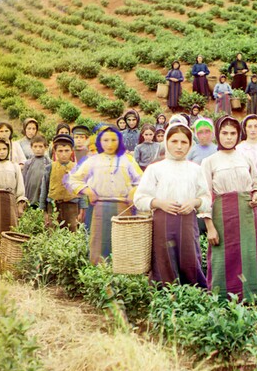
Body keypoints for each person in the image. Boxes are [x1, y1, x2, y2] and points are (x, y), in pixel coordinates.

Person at [134, 119, 211, 286]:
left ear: (190, 144)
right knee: (164, 260)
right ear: (166, 142)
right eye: (174, 141)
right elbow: (139, 198)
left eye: (184, 142)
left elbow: (206, 198)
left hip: (188, 222)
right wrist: (159, 203)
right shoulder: (155, 168)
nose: (179, 146)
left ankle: (193, 297)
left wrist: (194, 202)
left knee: (190, 259)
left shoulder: (195, 169)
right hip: (162, 222)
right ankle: (165, 298)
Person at [200, 116, 257, 301]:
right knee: (223, 258)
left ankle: (252, 298)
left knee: (249, 256)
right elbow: (205, 196)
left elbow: (256, 184)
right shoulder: (210, 161)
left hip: (246, 216)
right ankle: (221, 299)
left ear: (239, 135)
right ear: (217, 134)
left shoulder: (245, 158)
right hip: (222, 216)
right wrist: (210, 226)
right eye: (224, 133)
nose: (228, 137)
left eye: (233, 133)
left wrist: (255, 194)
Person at [67, 126, 142, 264]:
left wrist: (133, 191)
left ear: (119, 141)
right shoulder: (93, 161)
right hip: (100, 207)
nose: (110, 144)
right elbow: (72, 179)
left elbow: (142, 180)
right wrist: (88, 191)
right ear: (99, 142)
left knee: (122, 242)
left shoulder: (128, 160)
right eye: (105, 140)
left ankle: (122, 274)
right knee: (99, 241)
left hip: (123, 207)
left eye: (113, 140)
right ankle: (98, 274)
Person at [0, 139, 26, 260]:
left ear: (8, 150)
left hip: (9, 200)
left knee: (10, 228)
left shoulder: (14, 166)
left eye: (4, 149)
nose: (2, 152)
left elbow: (20, 186)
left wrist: (20, 204)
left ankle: (9, 258)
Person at [40, 134, 86, 231]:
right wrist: (44, 211)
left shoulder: (77, 168)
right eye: (60, 151)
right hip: (53, 206)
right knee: (53, 233)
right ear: (55, 152)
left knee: (72, 233)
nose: (63, 154)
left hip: (72, 207)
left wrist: (82, 210)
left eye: (66, 151)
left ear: (72, 151)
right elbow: (44, 189)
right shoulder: (49, 168)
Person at [21, 134, 49, 208]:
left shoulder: (48, 163)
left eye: (40, 146)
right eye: (35, 146)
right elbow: (23, 180)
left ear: (46, 148)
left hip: (43, 197)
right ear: (31, 147)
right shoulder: (28, 163)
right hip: (29, 196)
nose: (38, 149)